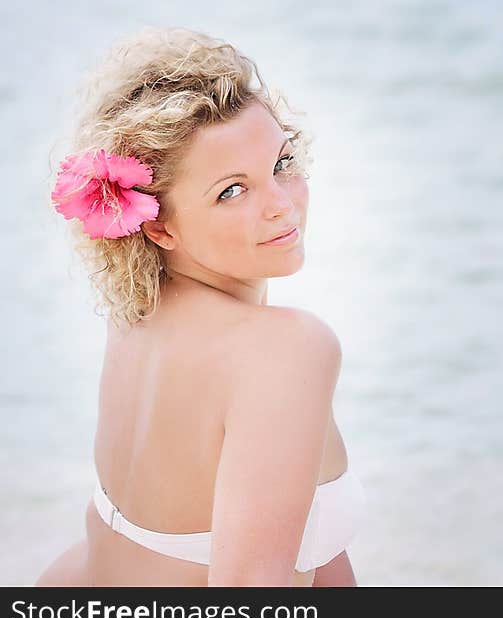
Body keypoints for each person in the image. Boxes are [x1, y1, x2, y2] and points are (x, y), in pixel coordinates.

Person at [34, 26, 366, 587]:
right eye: (232, 190)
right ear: (157, 222)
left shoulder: (139, 315)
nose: (283, 205)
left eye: (281, 163)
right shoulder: (284, 349)